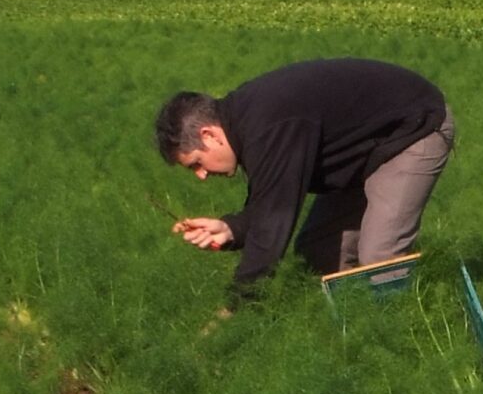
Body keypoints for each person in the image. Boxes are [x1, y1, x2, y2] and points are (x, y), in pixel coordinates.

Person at [156, 58, 454, 298]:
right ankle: (352, 326)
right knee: (318, 247)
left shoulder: (267, 126)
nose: (202, 175)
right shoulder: (247, 124)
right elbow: (271, 199)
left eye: (196, 163)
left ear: (208, 135)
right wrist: (230, 228)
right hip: (364, 151)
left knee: (381, 257)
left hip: (412, 130)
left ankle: (403, 336)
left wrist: (239, 302)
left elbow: (273, 224)